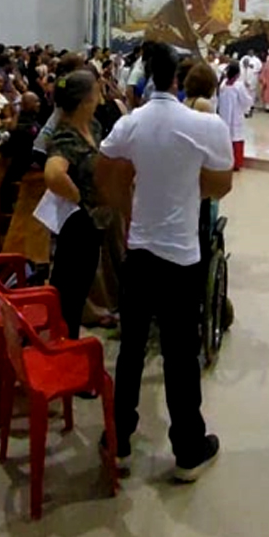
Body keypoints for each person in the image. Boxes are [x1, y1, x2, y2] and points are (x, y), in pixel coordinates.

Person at [100, 44, 233, 482]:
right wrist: (187, 183)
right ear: (178, 78)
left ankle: (118, 439)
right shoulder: (204, 125)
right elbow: (222, 184)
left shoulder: (130, 123)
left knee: (131, 348)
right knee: (180, 354)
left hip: (140, 250)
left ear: (146, 77)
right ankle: (188, 449)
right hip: (180, 254)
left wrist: (128, 209)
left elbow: (105, 171)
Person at [44, 69, 110, 338]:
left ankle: (69, 335)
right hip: (77, 222)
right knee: (69, 285)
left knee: (83, 282)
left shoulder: (92, 126)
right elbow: (53, 174)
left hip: (95, 222)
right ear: (85, 100)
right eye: (96, 90)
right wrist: (79, 198)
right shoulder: (67, 136)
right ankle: (64, 339)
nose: (100, 94)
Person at [216, 63, 250, 172]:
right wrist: (247, 107)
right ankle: (236, 163)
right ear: (237, 74)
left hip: (224, 116)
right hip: (236, 116)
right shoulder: (239, 86)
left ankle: (225, 162)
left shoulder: (223, 85)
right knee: (236, 138)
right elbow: (246, 100)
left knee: (227, 138)